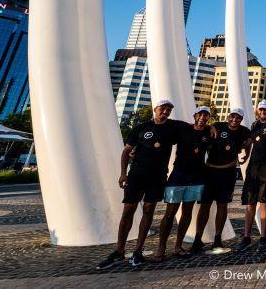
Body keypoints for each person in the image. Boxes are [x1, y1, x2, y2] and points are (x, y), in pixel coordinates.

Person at [96, 99, 189, 269]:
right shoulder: (141, 127)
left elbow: (195, 126)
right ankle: (119, 250)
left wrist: (211, 127)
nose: (166, 112)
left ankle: (138, 250)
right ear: (155, 109)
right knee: (129, 209)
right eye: (163, 108)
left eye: (169, 110)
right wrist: (123, 173)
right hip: (137, 174)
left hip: (158, 176)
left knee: (148, 210)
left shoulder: (173, 127)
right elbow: (126, 151)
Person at [151, 106, 213, 261]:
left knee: (187, 212)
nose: (202, 118)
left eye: (206, 116)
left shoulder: (209, 132)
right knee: (170, 212)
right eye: (200, 114)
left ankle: (178, 246)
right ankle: (161, 248)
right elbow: (162, 121)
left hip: (197, 176)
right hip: (178, 175)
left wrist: (212, 127)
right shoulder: (182, 127)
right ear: (195, 115)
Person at [191, 107, 251, 252]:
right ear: (228, 116)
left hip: (227, 173)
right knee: (204, 205)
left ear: (241, 119)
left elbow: (249, 141)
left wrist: (245, 156)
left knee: (222, 206)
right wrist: (210, 126)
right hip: (210, 171)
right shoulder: (218, 125)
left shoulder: (244, 131)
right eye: (232, 117)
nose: (234, 120)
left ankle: (218, 239)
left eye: (237, 118)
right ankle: (198, 239)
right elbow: (205, 129)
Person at [236, 101, 266, 252]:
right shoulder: (254, 125)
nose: (263, 112)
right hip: (252, 169)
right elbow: (249, 142)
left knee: (265, 204)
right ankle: (246, 238)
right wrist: (246, 154)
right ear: (257, 111)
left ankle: (263, 238)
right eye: (261, 110)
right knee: (250, 203)